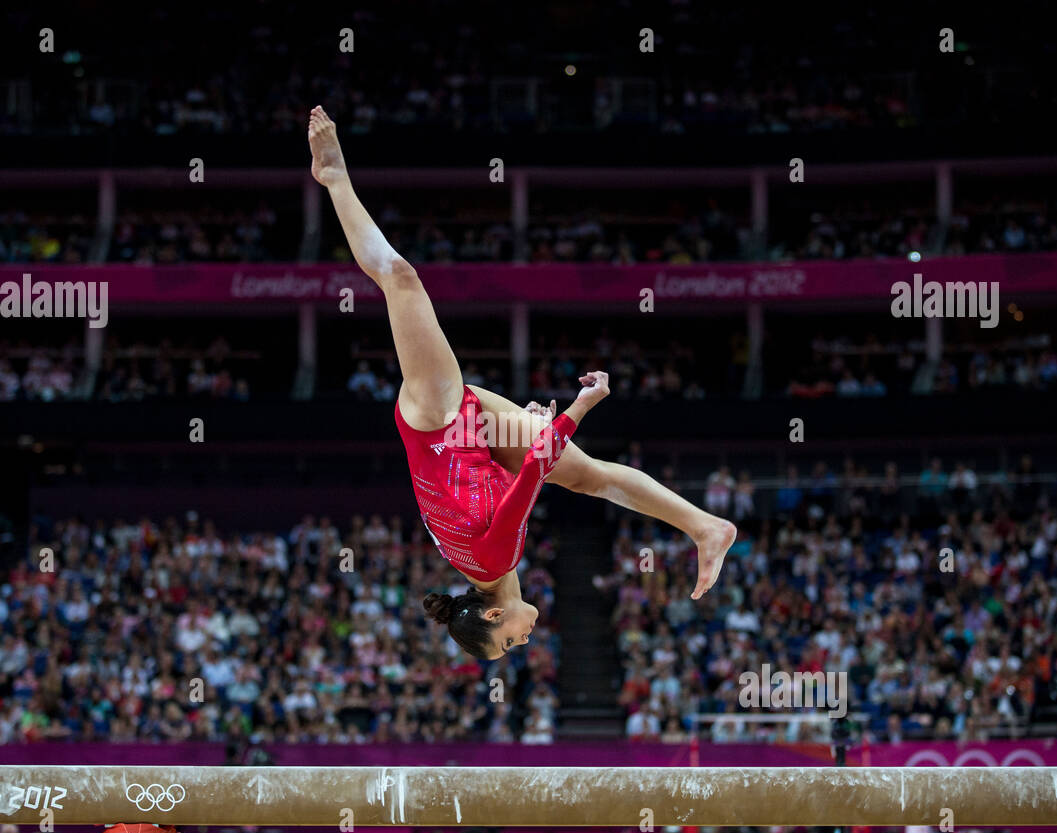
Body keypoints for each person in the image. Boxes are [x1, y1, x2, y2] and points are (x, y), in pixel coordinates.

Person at [307, 106, 736, 661]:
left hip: (437, 418)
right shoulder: (472, 566)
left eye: (509, 640)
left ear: (493, 613)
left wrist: (580, 408)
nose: (525, 639)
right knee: (584, 477)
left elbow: (531, 472)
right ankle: (706, 527)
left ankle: (335, 176)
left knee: (402, 282)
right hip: (470, 440)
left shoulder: (497, 561)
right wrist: (511, 435)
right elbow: (485, 486)